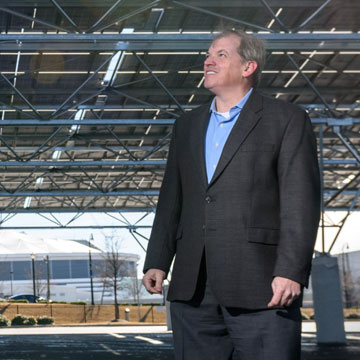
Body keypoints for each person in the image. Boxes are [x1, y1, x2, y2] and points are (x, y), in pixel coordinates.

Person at [142, 29, 320, 360]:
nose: (208, 61)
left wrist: (291, 270)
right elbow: (172, 200)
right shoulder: (187, 126)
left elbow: (301, 203)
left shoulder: (287, 120)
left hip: (263, 285)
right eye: (208, 55)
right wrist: (157, 259)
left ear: (248, 67)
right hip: (193, 287)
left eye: (221, 55)